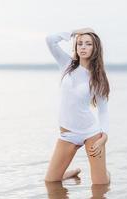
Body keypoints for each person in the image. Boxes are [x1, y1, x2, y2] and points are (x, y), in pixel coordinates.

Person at [44, 27, 111, 184]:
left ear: (95, 48)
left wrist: (104, 136)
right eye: (79, 43)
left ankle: (105, 173)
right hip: (68, 134)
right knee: (50, 182)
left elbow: (103, 110)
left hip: (91, 132)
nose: (83, 47)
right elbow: (50, 40)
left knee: (100, 185)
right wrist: (75, 32)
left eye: (88, 44)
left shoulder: (98, 78)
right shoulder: (67, 64)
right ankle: (68, 174)